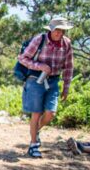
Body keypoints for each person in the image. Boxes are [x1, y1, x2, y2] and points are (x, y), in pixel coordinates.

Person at [18, 16, 74, 158]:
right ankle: (33, 144)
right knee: (36, 113)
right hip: (36, 79)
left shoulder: (66, 44)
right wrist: (39, 66)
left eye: (62, 31)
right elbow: (23, 58)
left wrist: (66, 87)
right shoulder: (39, 40)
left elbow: (68, 67)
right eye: (57, 30)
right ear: (51, 29)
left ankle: (35, 131)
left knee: (51, 113)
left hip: (53, 80)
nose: (59, 34)